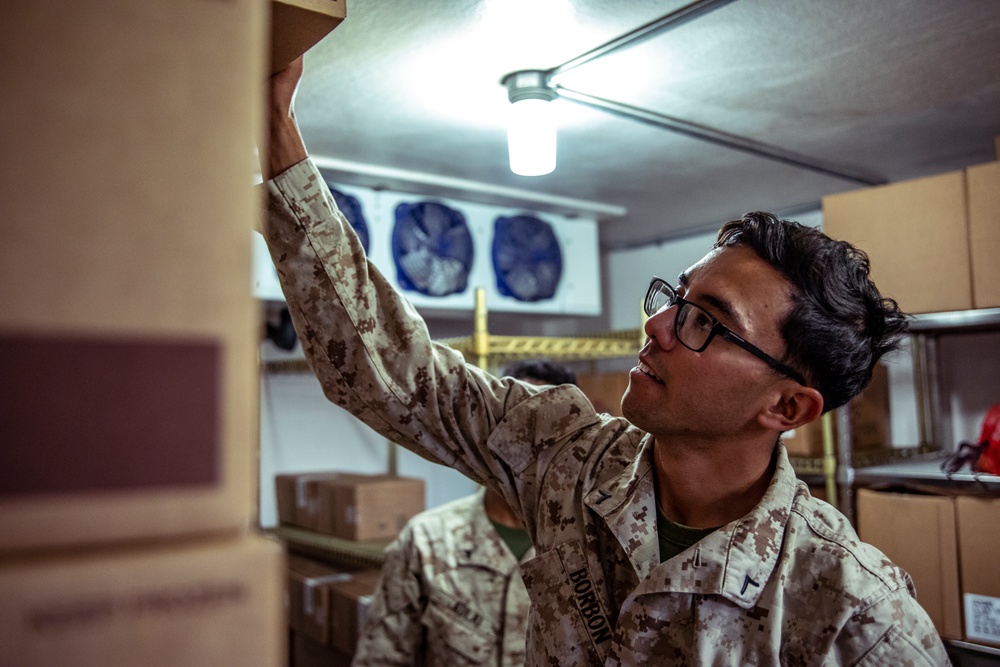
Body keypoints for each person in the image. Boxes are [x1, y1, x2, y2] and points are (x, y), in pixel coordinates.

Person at [262, 58, 949, 665]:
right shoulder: (568, 457)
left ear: (786, 405)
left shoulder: (854, 617)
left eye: (705, 321)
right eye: (674, 298)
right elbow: (396, 373)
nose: (655, 325)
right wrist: (279, 138)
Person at [353, 362, 576, 667]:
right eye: (514, 423)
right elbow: (380, 659)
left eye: (547, 428)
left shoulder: (591, 551)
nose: (527, 443)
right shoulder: (427, 542)